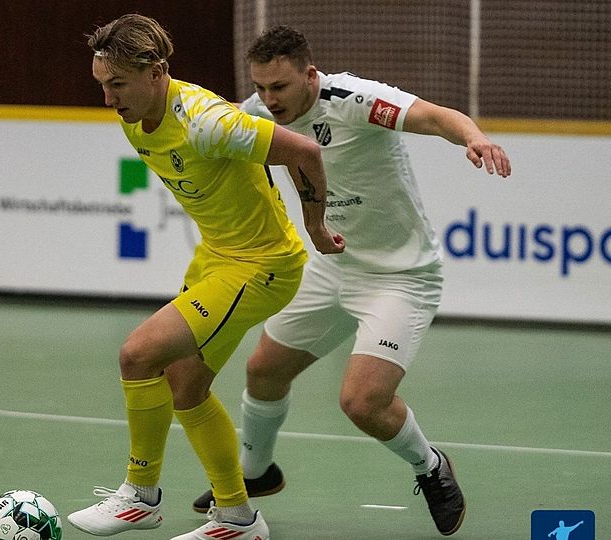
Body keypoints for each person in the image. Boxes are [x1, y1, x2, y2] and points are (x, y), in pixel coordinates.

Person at [189, 25, 512, 537]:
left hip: (400, 276)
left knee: (362, 403)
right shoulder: (255, 111)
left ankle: (431, 466)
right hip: (330, 264)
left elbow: (434, 116)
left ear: (310, 75)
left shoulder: (356, 99)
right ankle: (257, 474)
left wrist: (474, 138)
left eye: (281, 87)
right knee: (264, 371)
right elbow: (213, 135)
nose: (269, 100)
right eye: (262, 87)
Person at [67, 14, 345, 540]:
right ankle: (238, 518)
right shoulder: (133, 115)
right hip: (218, 257)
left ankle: (140, 497)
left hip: (262, 265)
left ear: (157, 73)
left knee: (137, 353)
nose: (109, 99)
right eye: (102, 85)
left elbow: (304, 152)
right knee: (183, 383)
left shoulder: (206, 119)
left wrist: (316, 225)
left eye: (117, 85)